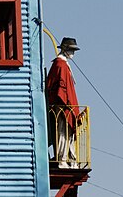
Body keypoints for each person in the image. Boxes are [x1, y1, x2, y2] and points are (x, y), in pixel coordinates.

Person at [46, 37, 81, 168]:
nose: (73, 53)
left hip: (66, 106)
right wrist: (66, 104)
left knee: (67, 134)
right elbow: (60, 88)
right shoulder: (60, 65)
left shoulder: (62, 64)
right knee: (62, 133)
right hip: (62, 106)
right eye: (71, 50)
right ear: (65, 49)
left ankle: (70, 159)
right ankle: (63, 159)